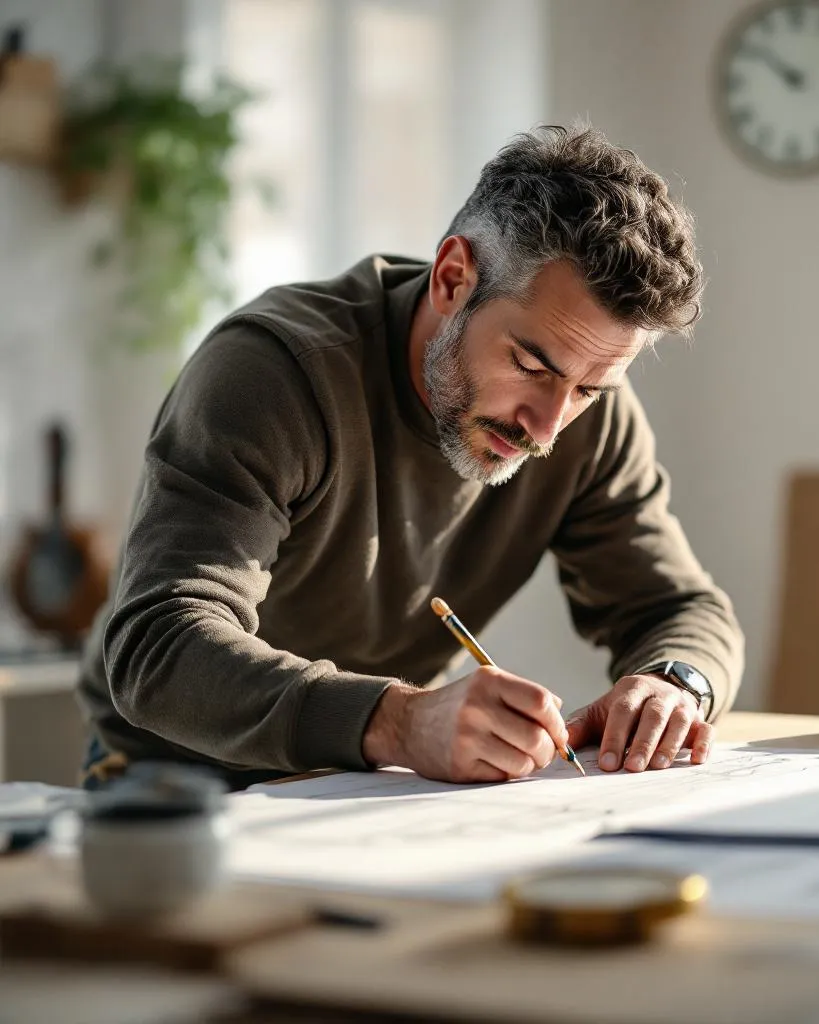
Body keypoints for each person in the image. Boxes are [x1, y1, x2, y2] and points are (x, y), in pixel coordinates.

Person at [77, 124, 744, 791]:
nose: (548, 426)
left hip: (384, 787)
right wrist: (397, 722)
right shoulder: (274, 375)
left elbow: (680, 608)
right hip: (181, 788)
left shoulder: (586, 418)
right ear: (453, 278)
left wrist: (674, 685)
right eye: (529, 364)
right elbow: (157, 648)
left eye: (589, 390)